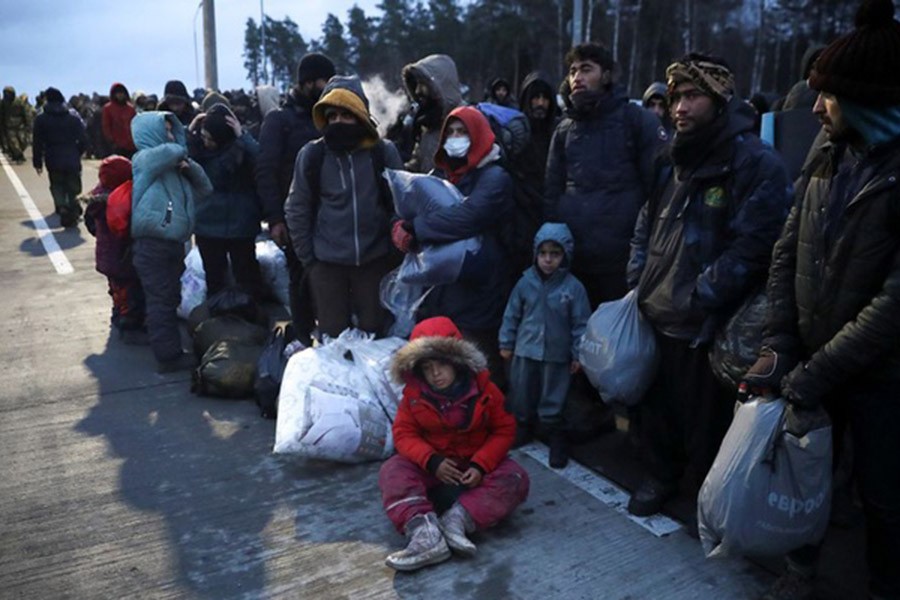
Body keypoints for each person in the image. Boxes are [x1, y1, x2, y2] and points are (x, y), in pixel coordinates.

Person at [742, 1, 900, 597]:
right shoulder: (827, 152)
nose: (813, 109)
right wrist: (781, 341)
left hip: (881, 375)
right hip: (809, 359)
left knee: (883, 495)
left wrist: (815, 371)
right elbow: (788, 248)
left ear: (865, 102)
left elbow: (893, 304)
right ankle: (800, 567)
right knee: (804, 474)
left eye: (827, 97)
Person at [625, 53, 793, 518]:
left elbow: (757, 244)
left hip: (705, 325)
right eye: (676, 95)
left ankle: (704, 499)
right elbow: (646, 221)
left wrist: (704, 294)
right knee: (656, 412)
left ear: (720, 100)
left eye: (692, 95)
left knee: (706, 424)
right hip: (656, 312)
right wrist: (637, 276)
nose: (679, 106)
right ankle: (659, 477)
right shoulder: (670, 157)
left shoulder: (754, 161)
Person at [379, 316, 530, 571]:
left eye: (442, 364)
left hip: (473, 467)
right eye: (427, 367)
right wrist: (431, 460)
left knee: (516, 477)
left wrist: (481, 464)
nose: (435, 374)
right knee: (393, 470)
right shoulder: (414, 396)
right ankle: (424, 534)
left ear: (457, 362)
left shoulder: (486, 390)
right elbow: (403, 433)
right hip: (434, 467)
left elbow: (504, 429)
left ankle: (457, 521)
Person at [391, 106, 514, 384]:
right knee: (443, 367)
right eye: (451, 132)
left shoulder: (495, 177)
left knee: (478, 364)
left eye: (463, 132)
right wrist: (399, 225)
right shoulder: (441, 174)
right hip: (444, 288)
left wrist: (417, 228)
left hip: (480, 288)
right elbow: (412, 205)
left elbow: (468, 217)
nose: (455, 138)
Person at [544, 42, 667, 309]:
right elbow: (552, 191)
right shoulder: (565, 129)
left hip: (621, 260)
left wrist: (645, 252)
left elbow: (658, 189)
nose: (577, 77)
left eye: (586, 69)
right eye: (573, 70)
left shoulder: (638, 121)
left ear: (607, 75)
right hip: (574, 258)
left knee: (615, 343)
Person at [284, 76, 402, 340]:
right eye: (332, 115)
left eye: (346, 115)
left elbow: (401, 203)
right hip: (327, 265)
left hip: (374, 263)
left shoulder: (382, 153)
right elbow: (296, 209)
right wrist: (310, 261)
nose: (338, 122)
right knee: (332, 338)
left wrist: (393, 252)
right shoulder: (312, 156)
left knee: (374, 333)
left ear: (360, 116)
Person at [257, 52, 335, 346]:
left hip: (331, 213)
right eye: (322, 81)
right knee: (301, 280)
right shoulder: (280, 120)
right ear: (307, 83)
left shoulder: (330, 115)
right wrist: (275, 218)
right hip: (296, 217)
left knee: (330, 280)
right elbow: (265, 171)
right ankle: (303, 339)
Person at [498, 222, 590, 468]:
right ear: (535, 254)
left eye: (555, 253)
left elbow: (581, 324)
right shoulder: (525, 283)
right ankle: (523, 425)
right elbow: (512, 314)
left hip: (556, 355)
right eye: (543, 253)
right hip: (525, 350)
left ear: (566, 255)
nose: (548, 259)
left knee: (554, 395)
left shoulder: (573, 288)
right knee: (522, 390)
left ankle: (555, 433)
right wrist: (506, 341)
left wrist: (578, 354)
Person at [130, 111, 212, 373]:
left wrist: (192, 168)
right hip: (153, 244)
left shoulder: (174, 165)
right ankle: (168, 357)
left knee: (167, 298)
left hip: (173, 243)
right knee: (162, 301)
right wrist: (183, 139)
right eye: (164, 130)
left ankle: (165, 346)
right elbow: (169, 151)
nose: (169, 135)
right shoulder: (144, 160)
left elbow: (205, 189)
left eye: (170, 130)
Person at [188, 103, 265, 300]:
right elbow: (178, 153)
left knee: (246, 279)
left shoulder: (241, 151)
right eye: (203, 136)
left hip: (237, 226)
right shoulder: (197, 152)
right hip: (216, 227)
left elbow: (262, 162)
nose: (205, 142)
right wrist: (190, 131)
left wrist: (243, 135)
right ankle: (219, 324)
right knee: (216, 281)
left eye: (209, 138)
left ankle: (247, 321)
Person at [82, 155, 147, 343]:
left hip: (106, 255)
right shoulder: (121, 200)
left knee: (116, 288)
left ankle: (118, 313)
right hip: (121, 256)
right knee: (128, 290)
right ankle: (128, 322)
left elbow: (90, 225)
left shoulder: (96, 196)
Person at [511, 72, 560, 272]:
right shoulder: (515, 133)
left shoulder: (558, 132)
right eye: (535, 98)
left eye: (544, 99)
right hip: (519, 216)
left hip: (549, 211)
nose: (540, 104)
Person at [32, 87, 88, 227]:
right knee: (73, 185)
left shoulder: (41, 119)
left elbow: (37, 142)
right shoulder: (73, 117)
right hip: (71, 155)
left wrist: (37, 162)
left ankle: (62, 206)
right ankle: (72, 205)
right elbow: (84, 139)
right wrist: (78, 152)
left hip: (52, 156)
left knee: (57, 184)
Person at [401, 54, 463, 173]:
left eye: (423, 84)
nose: (418, 91)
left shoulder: (463, 122)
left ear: (440, 86)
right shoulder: (428, 122)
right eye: (416, 84)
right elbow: (418, 162)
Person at [101, 83, 136, 158]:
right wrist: (111, 141)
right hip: (116, 145)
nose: (120, 95)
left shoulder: (131, 109)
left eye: (122, 93)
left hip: (131, 145)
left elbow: (135, 125)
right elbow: (106, 126)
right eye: (118, 93)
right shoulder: (108, 108)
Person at [1, 86, 34, 163]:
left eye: (8, 93)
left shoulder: (19, 102)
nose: (6, 95)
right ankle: (18, 156)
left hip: (20, 125)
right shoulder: (3, 102)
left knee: (23, 142)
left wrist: (28, 124)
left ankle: (18, 154)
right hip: (9, 126)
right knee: (13, 143)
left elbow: (26, 113)